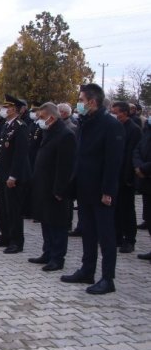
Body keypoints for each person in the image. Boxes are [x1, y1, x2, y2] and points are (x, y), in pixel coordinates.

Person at [61, 84, 124, 295]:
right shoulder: (85, 122)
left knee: (106, 236)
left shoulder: (109, 125)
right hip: (84, 187)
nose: (78, 103)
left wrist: (108, 191)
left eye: (81, 99)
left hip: (101, 191)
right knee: (87, 232)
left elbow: (113, 162)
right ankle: (87, 270)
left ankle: (107, 278)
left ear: (92, 101)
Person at [28, 103, 76, 272]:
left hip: (55, 189)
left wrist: (60, 190)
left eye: (42, 117)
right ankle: (47, 252)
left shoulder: (65, 135)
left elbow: (65, 166)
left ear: (52, 117)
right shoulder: (48, 131)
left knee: (57, 224)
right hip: (43, 186)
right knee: (46, 221)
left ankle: (57, 258)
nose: (39, 120)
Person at [0, 95, 30, 254]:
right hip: (2, 174)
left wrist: (13, 176)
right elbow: (1, 153)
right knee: (3, 208)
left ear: (14, 109)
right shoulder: (7, 125)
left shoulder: (20, 127)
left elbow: (20, 155)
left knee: (13, 210)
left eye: (7, 107)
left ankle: (16, 241)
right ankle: (5, 235)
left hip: (13, 176)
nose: (3, 109)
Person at [111, 101, 142, 254]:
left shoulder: (134, 129)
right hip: (115, 174)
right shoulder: (116, 127)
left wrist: (129, 177)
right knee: (115, 209)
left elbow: (132, 153)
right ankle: (117, 237)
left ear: (125, 112)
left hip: (126, 176)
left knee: (127, 209)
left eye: (117, 112)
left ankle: (129, 239)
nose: (115, 115)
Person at [133, 115, 151, 260]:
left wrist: (144, 168)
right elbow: (137, 150)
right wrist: (138, 166)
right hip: (145, 180)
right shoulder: (146, 131)